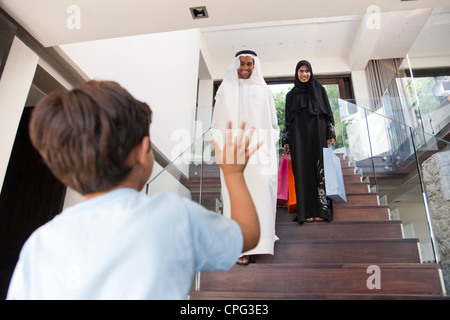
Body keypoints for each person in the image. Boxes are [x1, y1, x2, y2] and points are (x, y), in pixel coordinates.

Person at [6, 80, 261, 300]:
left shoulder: (39, 242)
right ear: (142, 151)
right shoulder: (173, 217)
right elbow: (247, 236)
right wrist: (233, 172)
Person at [211, 50, 280, 265]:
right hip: (233, 154)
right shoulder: (225, 88)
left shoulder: (264, 91)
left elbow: (274, 125)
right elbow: (216, 122)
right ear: (236, 64)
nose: (246, 67)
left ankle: (262, 241)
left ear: (255, 65)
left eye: (250, 64)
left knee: (261, 194)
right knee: (234, 196)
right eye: (242, 63)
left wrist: (268, 148)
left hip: (259, 155)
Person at [282, 60, 336, 224]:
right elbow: (287, 120)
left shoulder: (319, 90)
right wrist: (286, 139)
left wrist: (330, 132)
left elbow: (328, 113)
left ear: (311, 72)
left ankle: (322, 212)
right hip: (298, 137)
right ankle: (306, 213)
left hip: (318, 134)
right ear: (296, 73)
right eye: (301, 71)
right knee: (302, 172)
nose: (304, 74)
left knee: (319, 171)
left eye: (307, 71)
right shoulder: (291, 95)